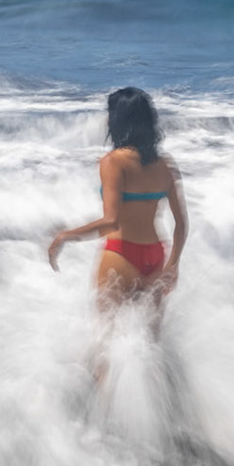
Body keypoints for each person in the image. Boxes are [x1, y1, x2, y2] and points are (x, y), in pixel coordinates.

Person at [48, 87, 188, 312]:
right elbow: (180, 224)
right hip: (156, 255)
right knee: (150, 341)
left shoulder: (113, 162)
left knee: (105, 341)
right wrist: (174, 265)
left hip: (121, 254)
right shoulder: (165, 164)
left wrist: (65, 236)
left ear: (118, 121)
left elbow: (111, 221)